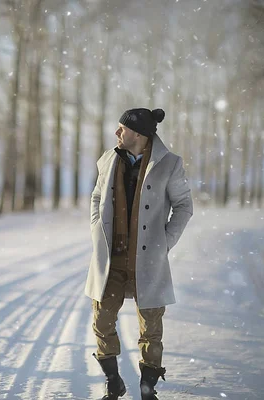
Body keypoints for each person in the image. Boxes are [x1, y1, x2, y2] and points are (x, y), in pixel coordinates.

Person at [85, 108, 193, 400]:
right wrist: (97, 225)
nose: (117, 133)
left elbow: (184, 206)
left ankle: (148, 389)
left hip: (148, 259)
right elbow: (97, 196)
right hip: (112, 257)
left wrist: (165, 242)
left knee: (151, 327)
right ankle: (113, 382)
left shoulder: (169, 164)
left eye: (122, 128)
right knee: (102, 320)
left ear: (139, 134)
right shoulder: (108, 159)